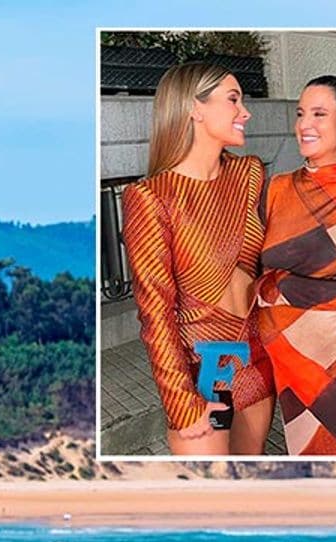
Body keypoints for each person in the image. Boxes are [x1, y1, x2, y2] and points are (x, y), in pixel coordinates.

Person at [122, 62, 273, 455]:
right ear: (195, 108)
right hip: (204, 374)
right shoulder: (152, 197)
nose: (245, 112)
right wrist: (180, 401)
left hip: (256, 360)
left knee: (250, 487)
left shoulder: (250, 174)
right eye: (233, 99)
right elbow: (155, 312)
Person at [251, 75, 336, 455]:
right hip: (289, 362)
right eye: (300, 113)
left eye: (319, 114)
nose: (304, 124)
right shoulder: (276, 186)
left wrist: (281, 287)